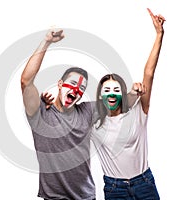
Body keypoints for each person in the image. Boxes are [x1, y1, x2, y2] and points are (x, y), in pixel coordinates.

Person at [20, 28, 141, 199]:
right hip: (53, 197)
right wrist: (46, 42)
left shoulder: (87, 111)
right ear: (60, 84)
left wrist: (134, 94)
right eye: (72, 84)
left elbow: (119, 104)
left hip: (86, 197)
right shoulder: (40, 113)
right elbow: (26, 81)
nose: (76, 90)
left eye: (81, 89)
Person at [90, 8, 165, 199]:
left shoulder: (138, 111)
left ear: (123, 94)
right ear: (100, 96)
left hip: (144, 184)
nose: (111, 94)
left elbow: (149, 73)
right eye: (106, 90)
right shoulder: (94, 124)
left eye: (116, 90)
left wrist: (159, 35)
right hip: (115, 189)